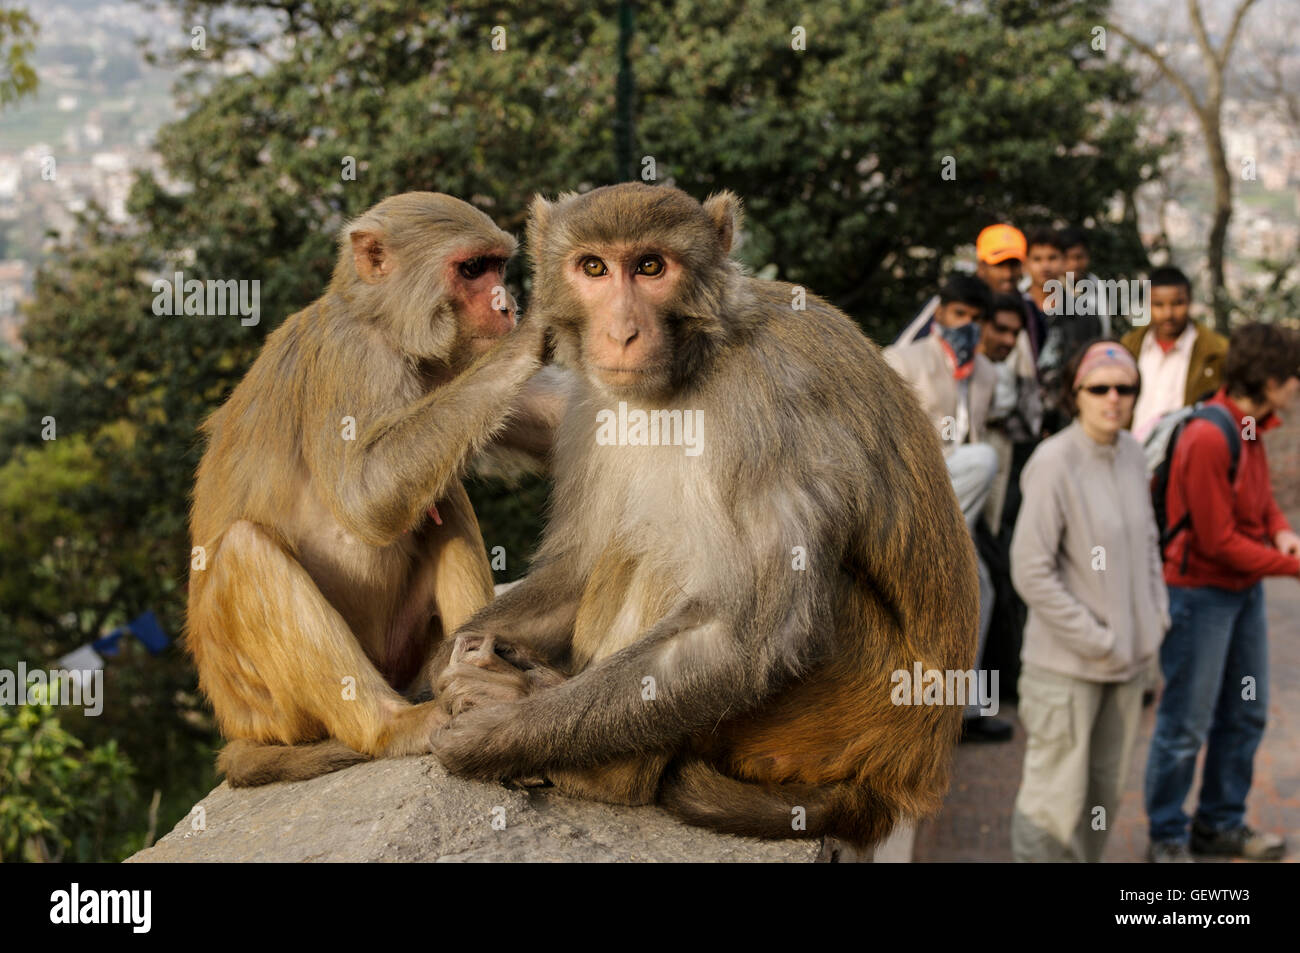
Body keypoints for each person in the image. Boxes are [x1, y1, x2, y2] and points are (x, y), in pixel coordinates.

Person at [1144, 322, 1300, 863]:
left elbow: (1260, 501)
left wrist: (1280, 530)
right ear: (1270, 379)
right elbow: (1217, 542)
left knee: (1246, 713)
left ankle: (1219, 824)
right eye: (1292, 377)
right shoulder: (1211, 435)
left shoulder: (1249, 426)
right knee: (1185, 723)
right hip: (1200, 597)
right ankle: (1165, 834)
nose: (1297, 387)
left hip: (1242, 595)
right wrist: (1290, 567)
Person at [1010, 340, 1166, 862]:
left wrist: (1155, 619)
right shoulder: (1054, 462)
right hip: (1068, 669)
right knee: (1053, 806)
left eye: (1125, 388)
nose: (1113, 398)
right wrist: (1097, 639)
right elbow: (1030, 570)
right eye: (1099, 388)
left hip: (1127, 668)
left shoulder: (1133, 454)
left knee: (1100, 801)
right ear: (1076, 393)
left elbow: (1147, 545)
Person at [886, 275, 1012, 743]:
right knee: (983, 459)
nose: (968, 327)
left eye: (976, 320)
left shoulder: (986, 373)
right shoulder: (903, 360)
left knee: (980, 587)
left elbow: (975, 432)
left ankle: (965, 712)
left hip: (961, 501)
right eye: (960, 316)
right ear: (940, 315)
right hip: (915, 488)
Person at [1122, 266, 1228, 442]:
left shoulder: (1216, 352)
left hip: (1187, 454)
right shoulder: (1129, 348)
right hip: (1131, 453)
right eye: (1158, 305)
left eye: (1177, 303)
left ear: (1190, 301)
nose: (1168, 313)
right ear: (1148, 303)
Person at [1024, 228, 1103, 434]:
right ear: (1026, 263)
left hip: (1066, 421)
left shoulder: (1084, 316)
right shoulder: (1013, 313)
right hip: (1019, 424)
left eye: (1052, 258)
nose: (1045, 265)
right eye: (1037, 259)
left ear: (1063, 262)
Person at [1059, 226, 1111, 338]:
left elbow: (1105, 329)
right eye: (1067, 258)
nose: (1074, 264)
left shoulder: (1096, 285)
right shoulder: (1047, 285)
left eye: (1079, 257)